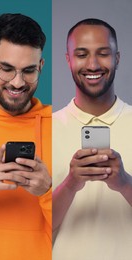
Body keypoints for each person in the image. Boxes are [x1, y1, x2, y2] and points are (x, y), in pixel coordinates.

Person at [0, 13, 52, 260]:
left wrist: (47, 192)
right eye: (6, 69)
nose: (17, 83)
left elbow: (78, 230)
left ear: (41, 67)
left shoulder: (60, 126)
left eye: (28, 71)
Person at [52, 18, 132, 260]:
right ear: (68, 60)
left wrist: (124, 184)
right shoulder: (47, 128)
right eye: (82, 54)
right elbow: (35, 226)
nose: (93, 64)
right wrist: (71, 184)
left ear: (117, 58)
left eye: (103, 53)